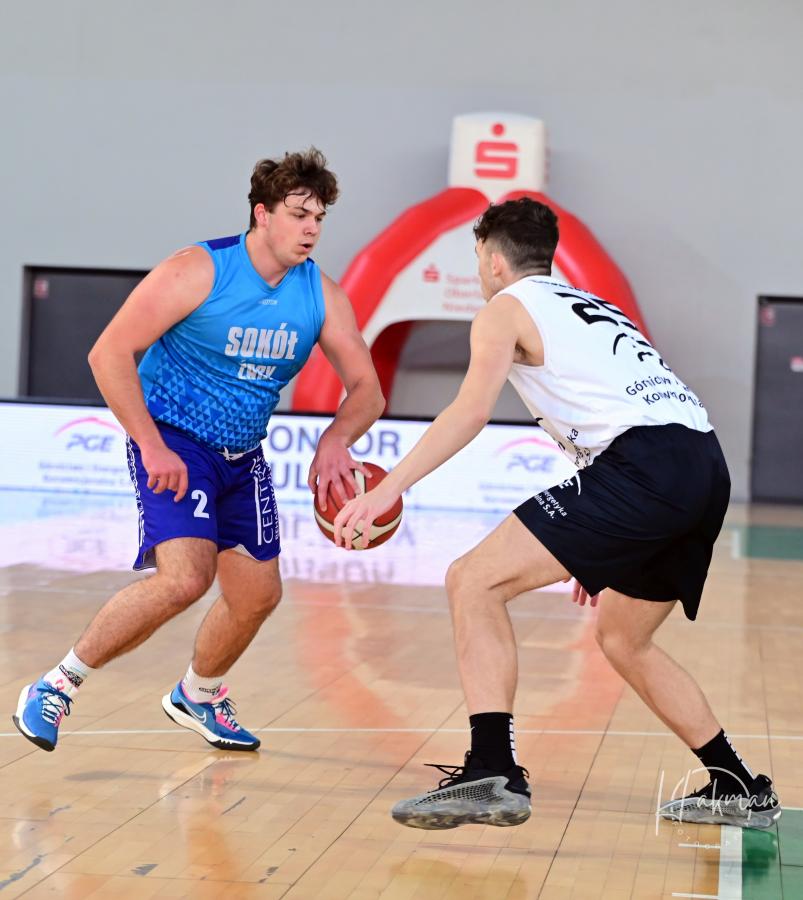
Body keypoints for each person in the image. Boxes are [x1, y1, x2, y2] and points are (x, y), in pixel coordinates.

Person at [333, 197, 781, 831]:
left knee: (473, 580)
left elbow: (469, 412)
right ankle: (736, 784)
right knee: (623, 638)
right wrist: (604, 543)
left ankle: (492, 771)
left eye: (478, 258)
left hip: (642, 467)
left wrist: (389, 488)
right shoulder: (594, 305)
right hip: (703, 463)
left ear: (493, 260)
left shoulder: (503, 309)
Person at [13, 148, 384, 753]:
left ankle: (199, 694)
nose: (312, 229)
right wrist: (150, 445)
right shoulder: (199, 270)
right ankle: (56, 684)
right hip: (176, 441)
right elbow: (108, 354)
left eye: (319, 217)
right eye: (299, 214)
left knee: (258, 597)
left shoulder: (321, 295)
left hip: (243, 455)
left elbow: (367, 387)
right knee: (185, 579)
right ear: (262, 214)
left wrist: (336, 439)